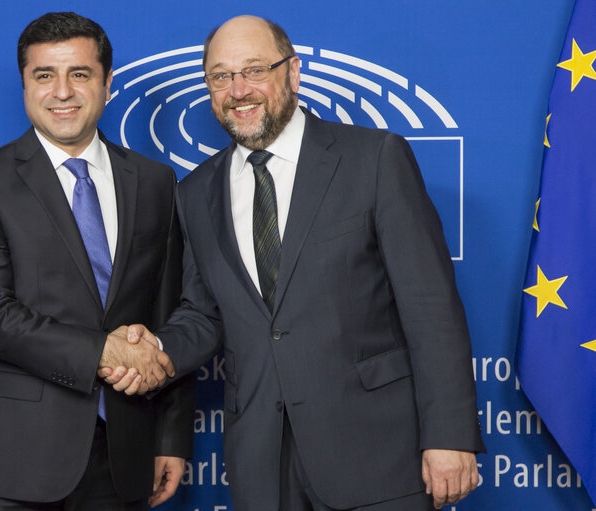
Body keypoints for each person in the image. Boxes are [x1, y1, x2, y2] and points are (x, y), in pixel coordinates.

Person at [101, 14, 485, 511]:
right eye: (221, 76)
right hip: (261, 460)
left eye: (255, 69)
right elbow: (203, 312)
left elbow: (430, 307)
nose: (239, 89)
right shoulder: (194, 193)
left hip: (377, 452)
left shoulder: (374, 159)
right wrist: (157, 349)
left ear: (294, 72)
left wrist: (450, 435)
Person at [0, 12, 193, 511]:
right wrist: (105, 351)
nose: (63, 92)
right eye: (44, 75)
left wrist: (170, 436)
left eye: (79, 74)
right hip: (13, 458)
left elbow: (168, 314)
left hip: (125, 453)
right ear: (24, 85)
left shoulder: (155, 182)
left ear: (106, 84)